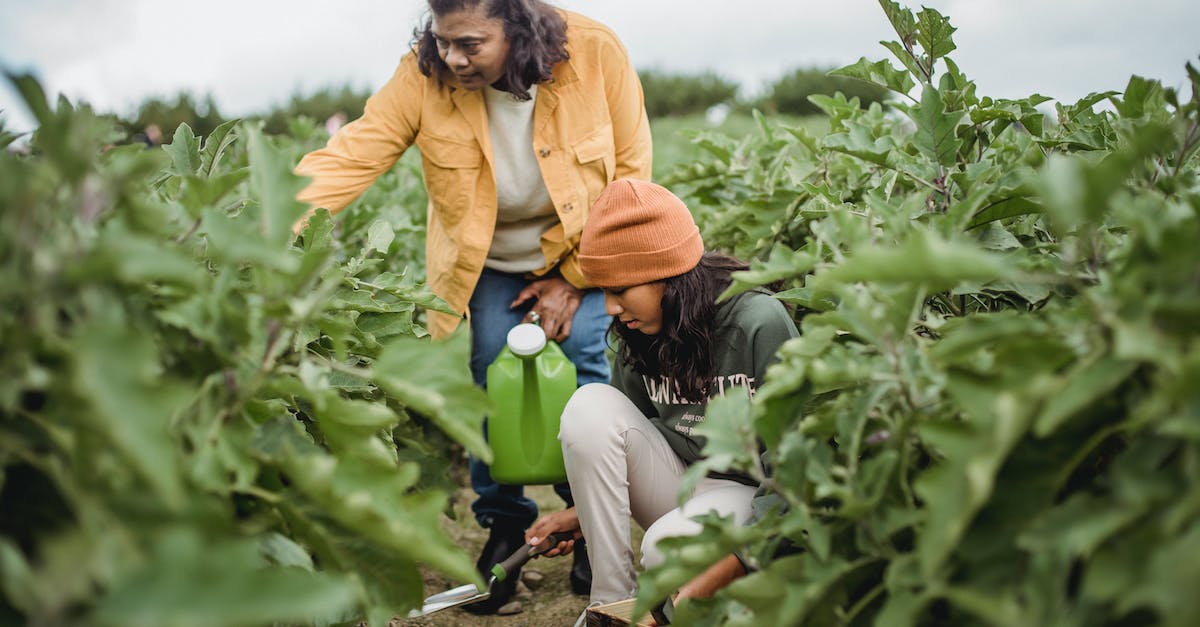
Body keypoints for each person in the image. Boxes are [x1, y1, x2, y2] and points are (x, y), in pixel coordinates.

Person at [292, 0, 652, 614]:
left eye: (470, 44)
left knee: (585, 370)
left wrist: (572, 279)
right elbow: (354, 154)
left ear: (517, 28)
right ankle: (505, 526)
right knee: (490, 376)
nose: (452, 58)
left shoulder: (595, 53)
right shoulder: (424, 72)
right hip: (486, 260)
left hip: (581, 249)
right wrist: (274, 228)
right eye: (442, 41)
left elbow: (632, 171)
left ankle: (589, 522)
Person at [524, 179, 800, 610]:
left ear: (668, 275)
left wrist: (733, 561)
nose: (611, 308)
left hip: (755, 497)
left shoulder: (757, 322)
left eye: (620, 291)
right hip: (686, 483)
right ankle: (612, 606)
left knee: (666, 550)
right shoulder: (640, 332)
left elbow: (795, 474)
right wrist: (584, 516)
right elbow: (617, 441)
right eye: (604, 292)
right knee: (588, 405)